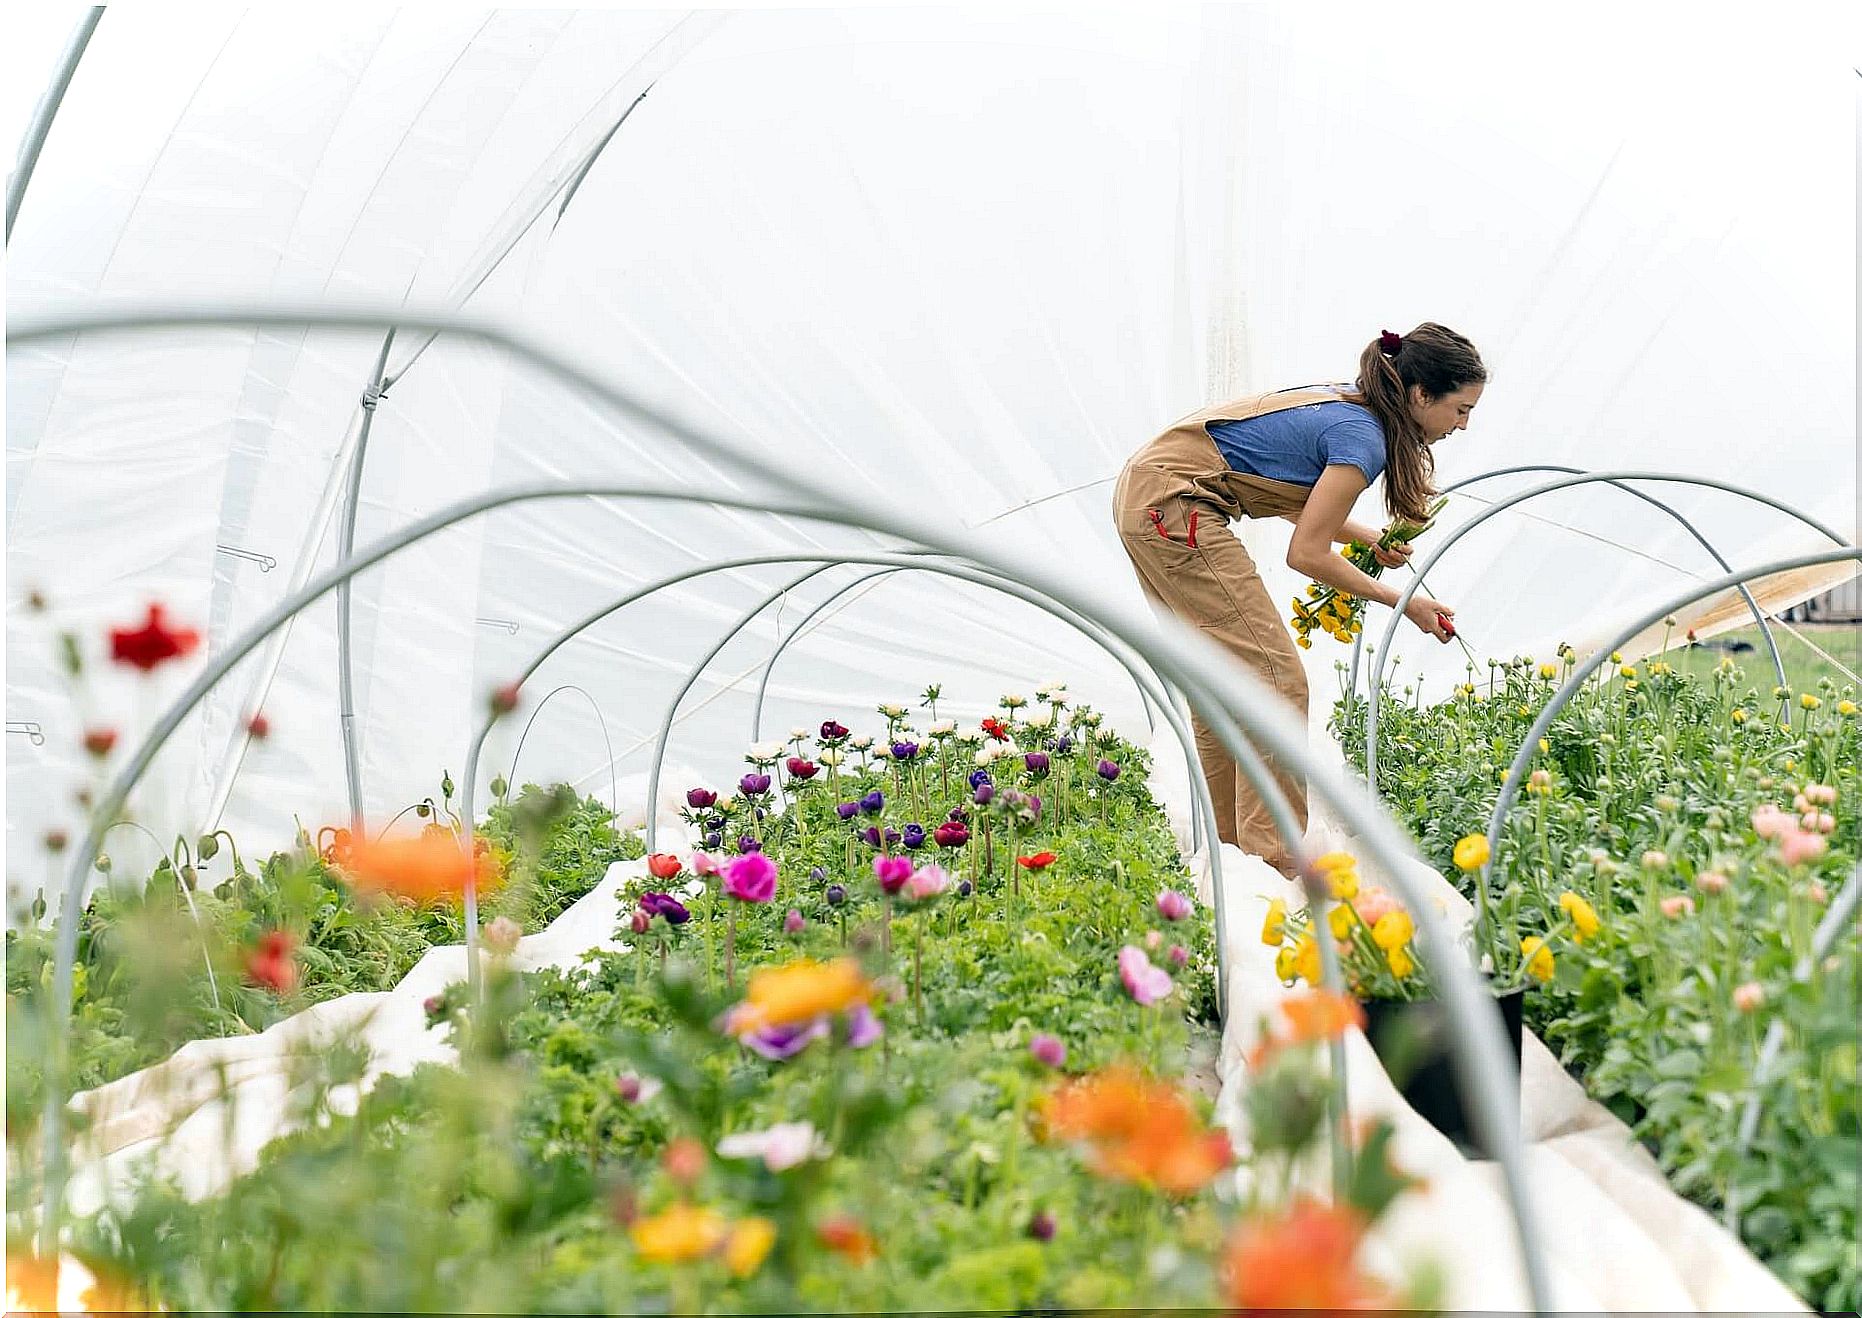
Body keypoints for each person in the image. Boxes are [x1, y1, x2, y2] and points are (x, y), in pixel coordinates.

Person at [1112, 323, 1486, 876]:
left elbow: (1288, 498)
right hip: (1176, 508)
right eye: (1460, 409)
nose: (1463, 424)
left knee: (1220, 684)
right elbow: (1306, 552)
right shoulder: (1364, 438)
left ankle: (1232, 858)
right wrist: (1403, 601)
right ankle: (1276, 857)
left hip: (1148, 499)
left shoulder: (1351, 407)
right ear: (1420, 395)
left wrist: (1371, 541)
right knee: (1279, 680)